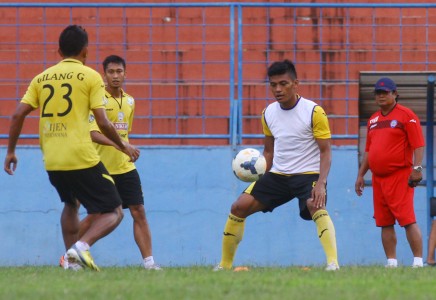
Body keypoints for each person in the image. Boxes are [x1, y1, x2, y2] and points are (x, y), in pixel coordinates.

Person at [3, 25, 139, 271]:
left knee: (70, 204)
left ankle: (70, 263)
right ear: (85, 51)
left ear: (58, 51)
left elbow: (17, 115)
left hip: (52, 157)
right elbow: (102, 121)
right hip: (80, 155)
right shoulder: (90, 77)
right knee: (114, 210)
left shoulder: (41, 78)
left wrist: (11, 151)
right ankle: (80, 248)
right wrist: (123, 146)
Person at [215, 59, 339, 271]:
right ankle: (224, 267)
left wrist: (321, 183)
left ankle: (333, 263)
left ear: (295, 83)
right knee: (239, 206)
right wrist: (257, 174)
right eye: (273, 85)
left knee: (314, 204)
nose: (278, 89)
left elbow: (326, 151)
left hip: (308, 174)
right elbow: (269, 151)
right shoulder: (268, 113)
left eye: (283, 84)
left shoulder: (313, 111)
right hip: (278, 175)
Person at [63, 54, 161, 270]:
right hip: (99, 166)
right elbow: (92, 133)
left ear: (125, 74)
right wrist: (121, 146)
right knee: (97, 214)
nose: (115, 76)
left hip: (125, 166)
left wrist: (125, 147)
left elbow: (125, 132)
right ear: (104, 75)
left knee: (138, 211)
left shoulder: (130, 101)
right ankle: (70, 256)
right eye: (111, 72)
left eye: (119, 71)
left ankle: (149, 264)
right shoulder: (97, 100)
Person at [355, 77, 424, 268]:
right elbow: (369, 151)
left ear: (395, 94)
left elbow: (418, 144)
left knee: (407, 220)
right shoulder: (373, 120)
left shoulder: (406, 115)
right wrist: (361, 174)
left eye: (385, 92)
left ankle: (418, 262)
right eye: (378, 93)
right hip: (378, 179)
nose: (381, 96)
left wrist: (417, 169)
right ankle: (391, 263)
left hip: (400, 176)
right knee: (384, 222)